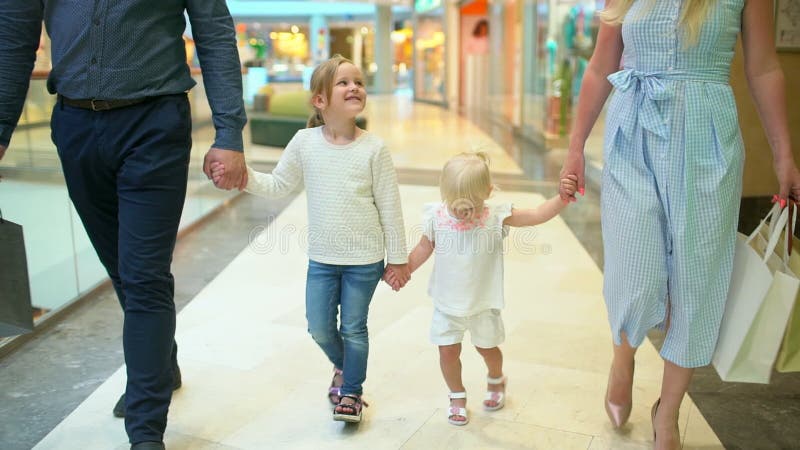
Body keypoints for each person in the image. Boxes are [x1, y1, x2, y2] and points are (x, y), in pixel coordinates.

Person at [0, 2, 248, 449]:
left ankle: (145, 429)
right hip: (74, 126)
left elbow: (213, 32)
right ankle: (161, 364)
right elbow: (13, 39)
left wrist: (229, 133)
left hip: (154, 125)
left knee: (144, 275)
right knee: (121, 266)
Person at [558, 1, 800, 448]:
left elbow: (764, 68)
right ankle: (623, 358)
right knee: (634, 271)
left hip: (708, 142)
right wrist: (575, 147)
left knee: (697, 280)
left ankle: (667, 411)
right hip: (632, 134)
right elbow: (599, 67)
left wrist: (784, 154)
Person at [210, 55, 410, 423]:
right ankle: (344, 367)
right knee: (318, 327)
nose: (354, 88)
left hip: (365, 260)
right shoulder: (304, 143)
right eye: (343, 83)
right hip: (322, 259)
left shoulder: (374, 148)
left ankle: (351, 392)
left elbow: (390, 207)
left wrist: (399, 259)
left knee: (353, 328)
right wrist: (242, 176)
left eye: (359, 82)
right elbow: (278, 184)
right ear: (320, 100)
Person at [385, 152, 577, 426]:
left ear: (487, 193)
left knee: (487, 348)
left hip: (483, 304)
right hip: (446, 304)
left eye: (472, 204)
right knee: (447, 352)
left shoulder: (496, 216)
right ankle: (457, 396)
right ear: (444, 194)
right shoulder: (436, 217)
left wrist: (561, 198)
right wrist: (402, 272)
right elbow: (423, 249)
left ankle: (496, 379)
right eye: (456, 204)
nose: (463, 211)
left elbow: (535, 215)